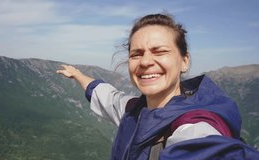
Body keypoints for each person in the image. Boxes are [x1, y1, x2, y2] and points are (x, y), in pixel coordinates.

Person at [57, 13, 259, 160]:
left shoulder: (194, 128)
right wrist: (77, 75)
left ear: (184, 61)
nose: (145, 62)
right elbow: (104, 94)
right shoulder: (134, 110)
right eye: (136, 54)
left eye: (159, 51)